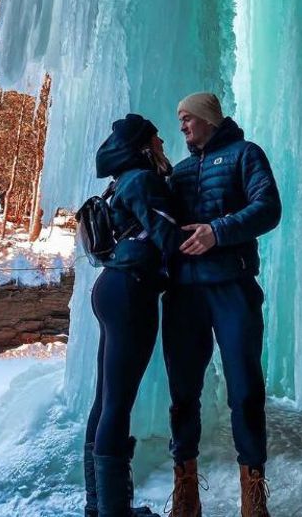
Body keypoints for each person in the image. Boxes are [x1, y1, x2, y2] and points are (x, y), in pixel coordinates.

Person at [162, 92, 281, 517]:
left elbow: (268, 208)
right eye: (179, 120)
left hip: (232, 287)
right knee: (182, 394)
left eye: (187, 117)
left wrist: (217, 230)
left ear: (209, 118)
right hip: (183, 295)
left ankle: (253, 496)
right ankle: (186, 493)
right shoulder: (176, 173)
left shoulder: (245, 155)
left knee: (245, 390)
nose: (182, 126)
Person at [84, 114, 184, 517]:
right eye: (157, 140)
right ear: (143, 146)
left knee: (104, 400)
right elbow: (168, 237)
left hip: (112, 288)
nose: (162, 144)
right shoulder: (142, 181)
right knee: (117, 404)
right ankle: (114, 513)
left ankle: (98, 507)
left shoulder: (120, 180)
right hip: (131, 292)